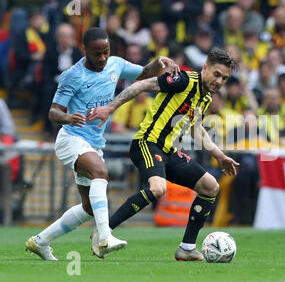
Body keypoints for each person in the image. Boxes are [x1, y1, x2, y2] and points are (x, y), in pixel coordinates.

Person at [25, 27, 179, 260]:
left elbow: (143, 73)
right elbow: (53, 112)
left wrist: (159, 63)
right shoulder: (73, 75)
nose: (102, 58)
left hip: (94, 143)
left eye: (106, 52)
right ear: (84, 49)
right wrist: (68, 117)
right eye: (97, 53)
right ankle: (105, 236)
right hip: (71, 139)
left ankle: (40, 241)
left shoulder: (115, 64)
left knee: (88, 208)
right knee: (101, 172)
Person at [87, 48, 240, 261]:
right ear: (205, 68)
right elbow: (142, 85)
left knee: (210, 187)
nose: (219, 81)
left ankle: (186, 248)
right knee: (158, 188)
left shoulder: (205, 97)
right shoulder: (184, 80)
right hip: (147, 143)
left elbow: (196, 129)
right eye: (216, 74)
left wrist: (219, 155)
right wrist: (109, 108)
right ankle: (103, 233)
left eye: (224, 78)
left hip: (168, 150)